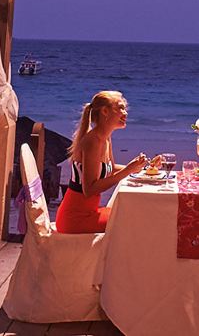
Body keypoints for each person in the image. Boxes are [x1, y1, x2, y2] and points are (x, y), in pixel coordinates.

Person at [56, 90, 149, 234]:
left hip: (90, 212)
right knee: (134, 221)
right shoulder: (93, 141)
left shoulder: (105, 138)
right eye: (121, 108)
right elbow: (89, 190)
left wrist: (141, 168)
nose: (125, 113)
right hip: (75, 219)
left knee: (135, 213)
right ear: (105, 111)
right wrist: (127, 171)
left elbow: (109, 169)